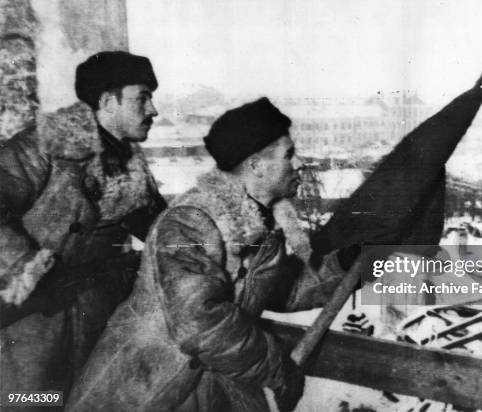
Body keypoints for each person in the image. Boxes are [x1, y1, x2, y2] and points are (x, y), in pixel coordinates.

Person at [66, 98, 355, 412]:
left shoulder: (260, 223)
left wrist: (344, 264)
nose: (299, 164)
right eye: (289, 154)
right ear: (257, 165)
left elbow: (284, 290)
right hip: (146, 389)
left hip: (211, 384)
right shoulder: (190, 221)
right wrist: (276, 366)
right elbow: (201, 323)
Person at [0, 51, 166, 403]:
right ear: (108, 101)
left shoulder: (131, 166)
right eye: (143, 97)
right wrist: (26, 267)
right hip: (31, 325)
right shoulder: (44, 146)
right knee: (27, 404)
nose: (153, 110)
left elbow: (166, 234)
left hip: (97, 324)